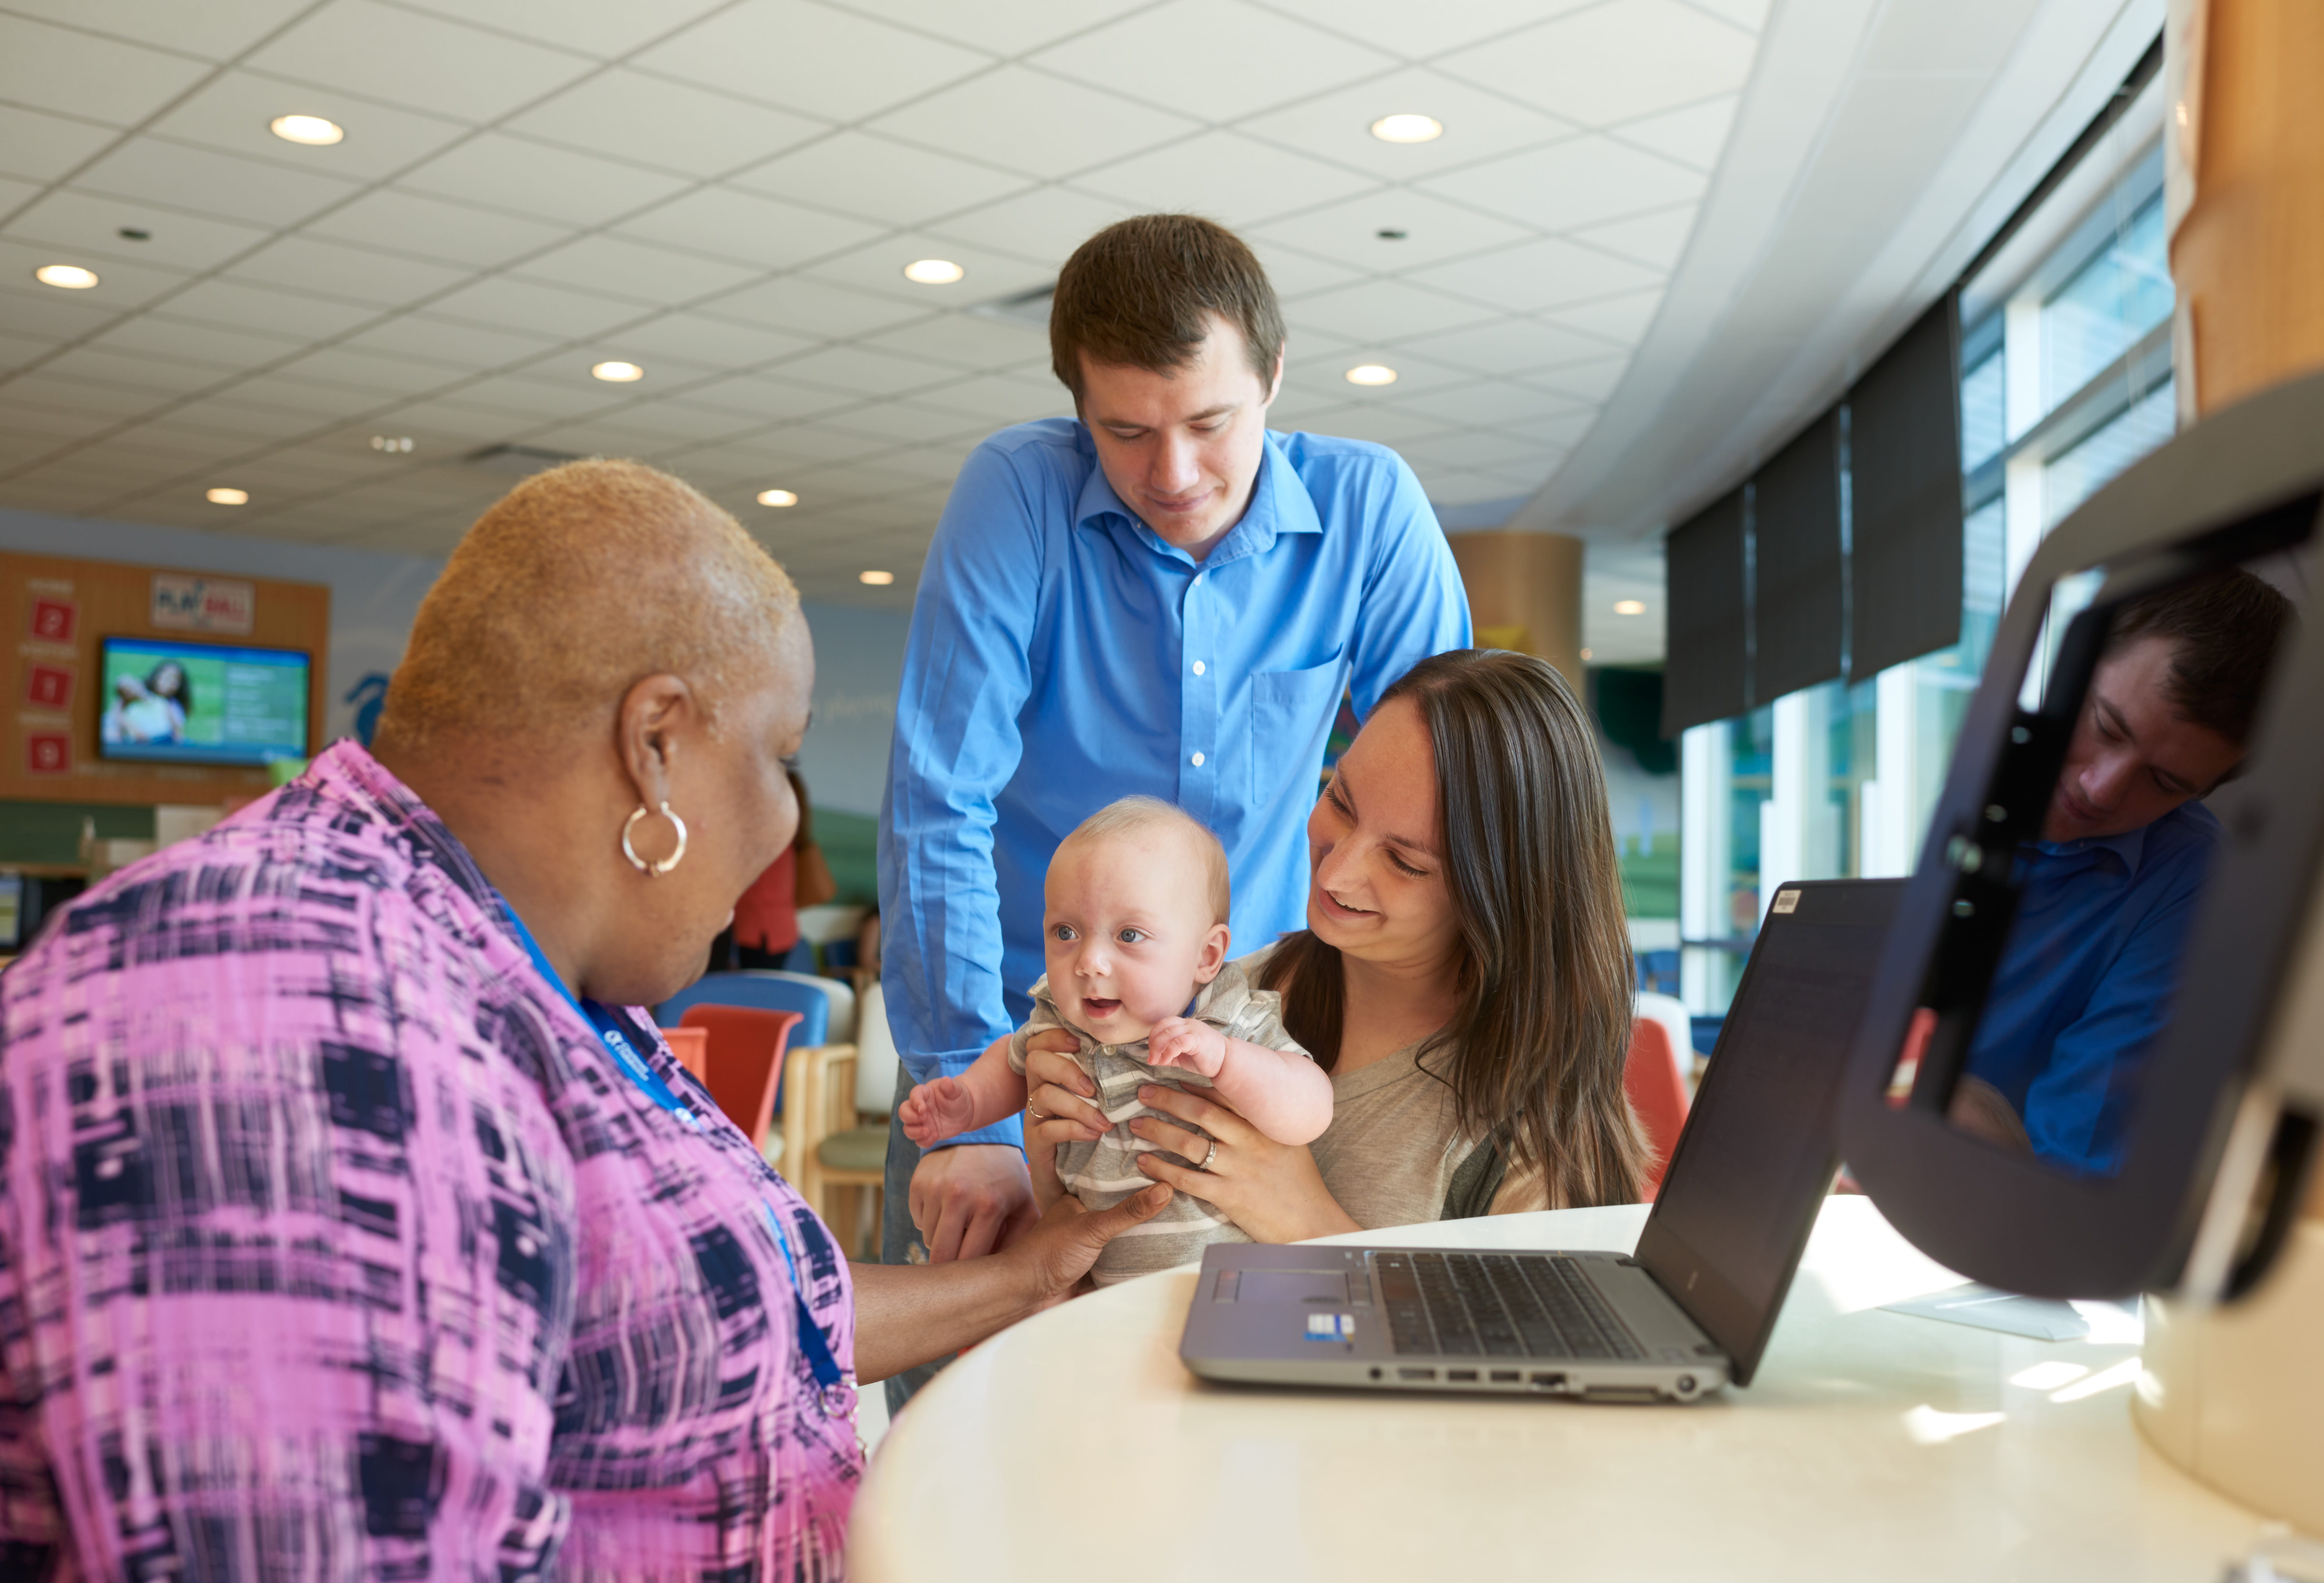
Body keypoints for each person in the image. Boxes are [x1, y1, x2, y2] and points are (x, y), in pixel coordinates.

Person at [0, 461, 1167, 1578]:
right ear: (655, 744)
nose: (781, 824)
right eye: (780, 757)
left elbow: (722, 1315)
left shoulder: (510, 958)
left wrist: (1027, 1278)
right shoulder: (292, 1022)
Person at [877, 215, 1469, 1405]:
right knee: (976, 1440)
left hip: (1256, 1061)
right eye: (1126, 432)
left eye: (1212, 423)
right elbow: (940, 800)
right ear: (1077, 410)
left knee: (1246, 1427)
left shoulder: (1365, 511)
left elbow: (1463, 793)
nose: (1174, 473)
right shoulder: (1021, 492)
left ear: (1274, 379)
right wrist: (967, 1123)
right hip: (1018, 1049)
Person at [1023, 650, 1648, 1237]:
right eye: (1340, 801)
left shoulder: (1531, 1145)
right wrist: (1056, 1166)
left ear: (1502, 896)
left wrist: (1306, 1219)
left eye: (1404, 861)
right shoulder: (1216, 995)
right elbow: (1083, 1252)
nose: (1335, 872)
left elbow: (1524, 1348)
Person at [900, 796, 1330, 1285]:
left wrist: (1229, 1061)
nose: (1090, 962)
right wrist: (968, 1104)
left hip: (1226, 1286)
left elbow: (1311, 1111)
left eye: (1129, 935)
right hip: (1097, 1288)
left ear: (1206, 956)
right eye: (1066, 931)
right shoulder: (1060, 1019)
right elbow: (1013, 1063)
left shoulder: (1231, 1020)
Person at [1952, 567, 2298, 1173]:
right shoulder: (1965, 765)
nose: (2101, 790)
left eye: (2164, 782)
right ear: (2074, 670)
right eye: (2106, 725)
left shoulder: (2191, 885)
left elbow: (2074, 1167)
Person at [717, 764, 837, 971]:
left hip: (759, 931)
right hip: (779, 931)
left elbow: (751, 889)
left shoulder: (766, 838)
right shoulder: (790, 838)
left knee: (755, 992)